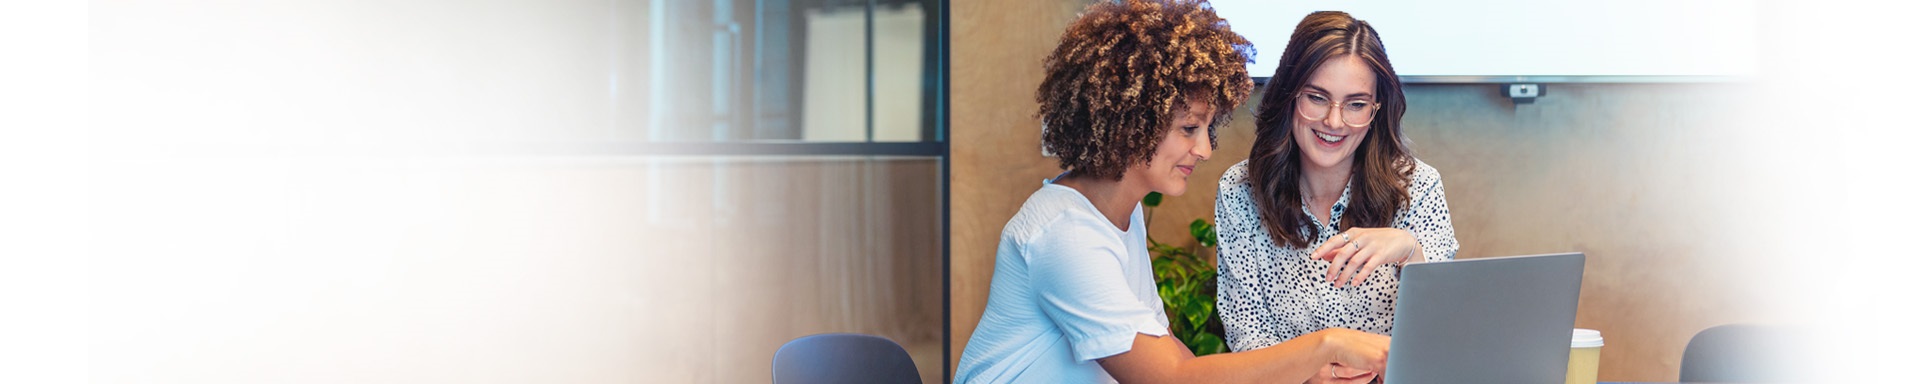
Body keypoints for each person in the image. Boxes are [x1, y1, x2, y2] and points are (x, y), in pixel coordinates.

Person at [954, 2, 1391, 383]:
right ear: (1132, 120)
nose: (1203, 150)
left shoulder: (1120, 215)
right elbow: (1170, 378)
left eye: (1205, 129)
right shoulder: (1065, 235)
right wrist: (1326, 345)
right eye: (1188, 129)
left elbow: (1174, 354)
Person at [1213, 10, 1461, 383]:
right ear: (1289, 96)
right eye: (1317, 97)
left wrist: (1413, 251)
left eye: (1356, 104)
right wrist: (1311, 372)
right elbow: (1246, 332)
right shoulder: (1239, 192)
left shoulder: (1418, 187)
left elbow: (1447, 337)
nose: (1334, 121)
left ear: (1376, 111)